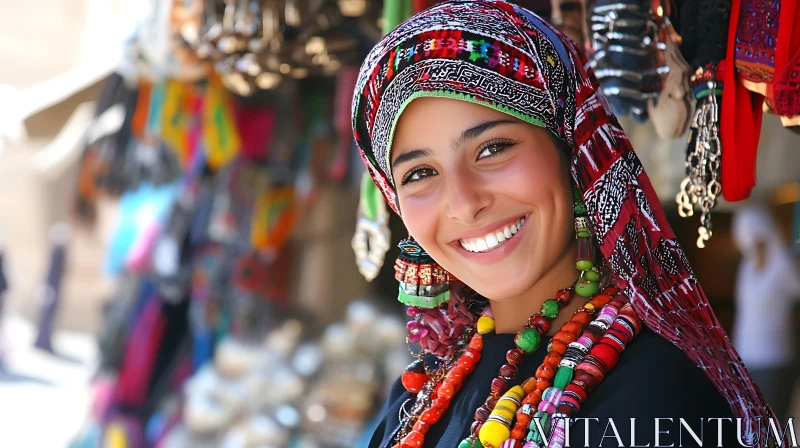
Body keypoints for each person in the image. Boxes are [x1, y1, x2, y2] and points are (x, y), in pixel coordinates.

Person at [350, 1, 779, 447]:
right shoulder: (416, 398)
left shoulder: (657, 394)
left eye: (493, 148)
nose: (464, 203)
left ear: (571, 150)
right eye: (420, 173)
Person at [732, 204, 800, 423]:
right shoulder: (747, 266)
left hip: (775, 359)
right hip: (745, 357)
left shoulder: (782, 264)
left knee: (773, 421)